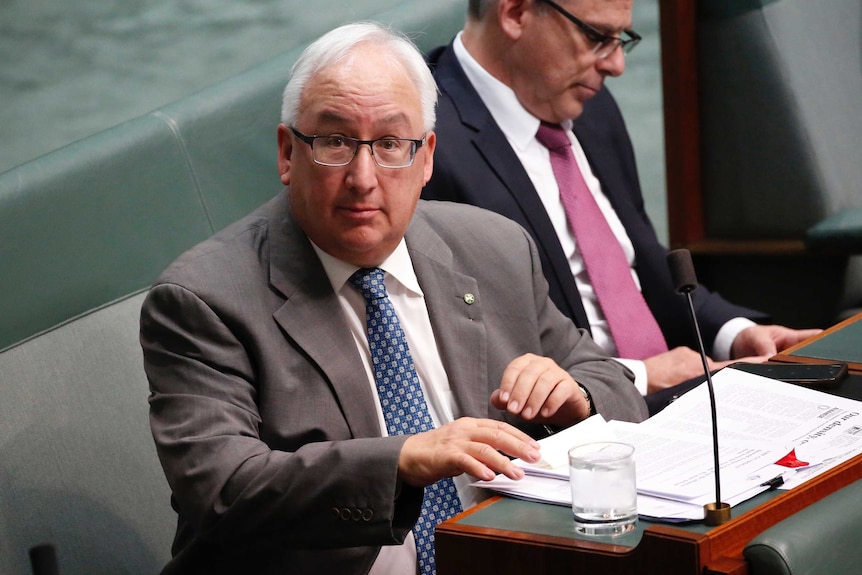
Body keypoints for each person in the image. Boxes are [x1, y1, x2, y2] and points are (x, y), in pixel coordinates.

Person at [139, 21, 647, 575]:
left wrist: (577, 398)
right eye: (335, 142)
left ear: (426, 158)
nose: (363, 177)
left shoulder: (492, 248)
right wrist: (402, 461)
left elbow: (615, 387)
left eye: (389, 145)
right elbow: (223, 490)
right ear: (288, 153)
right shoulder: (206, 299)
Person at [421, 0, 821, 411]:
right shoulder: (422, 141)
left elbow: (643, 277)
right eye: (596, 37)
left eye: (621, 40)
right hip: (572, 430)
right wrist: (642, 377)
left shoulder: (589, 107)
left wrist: (736, 333)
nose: (616, 65)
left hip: (682, 393)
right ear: (516, 13)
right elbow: (465, 355)